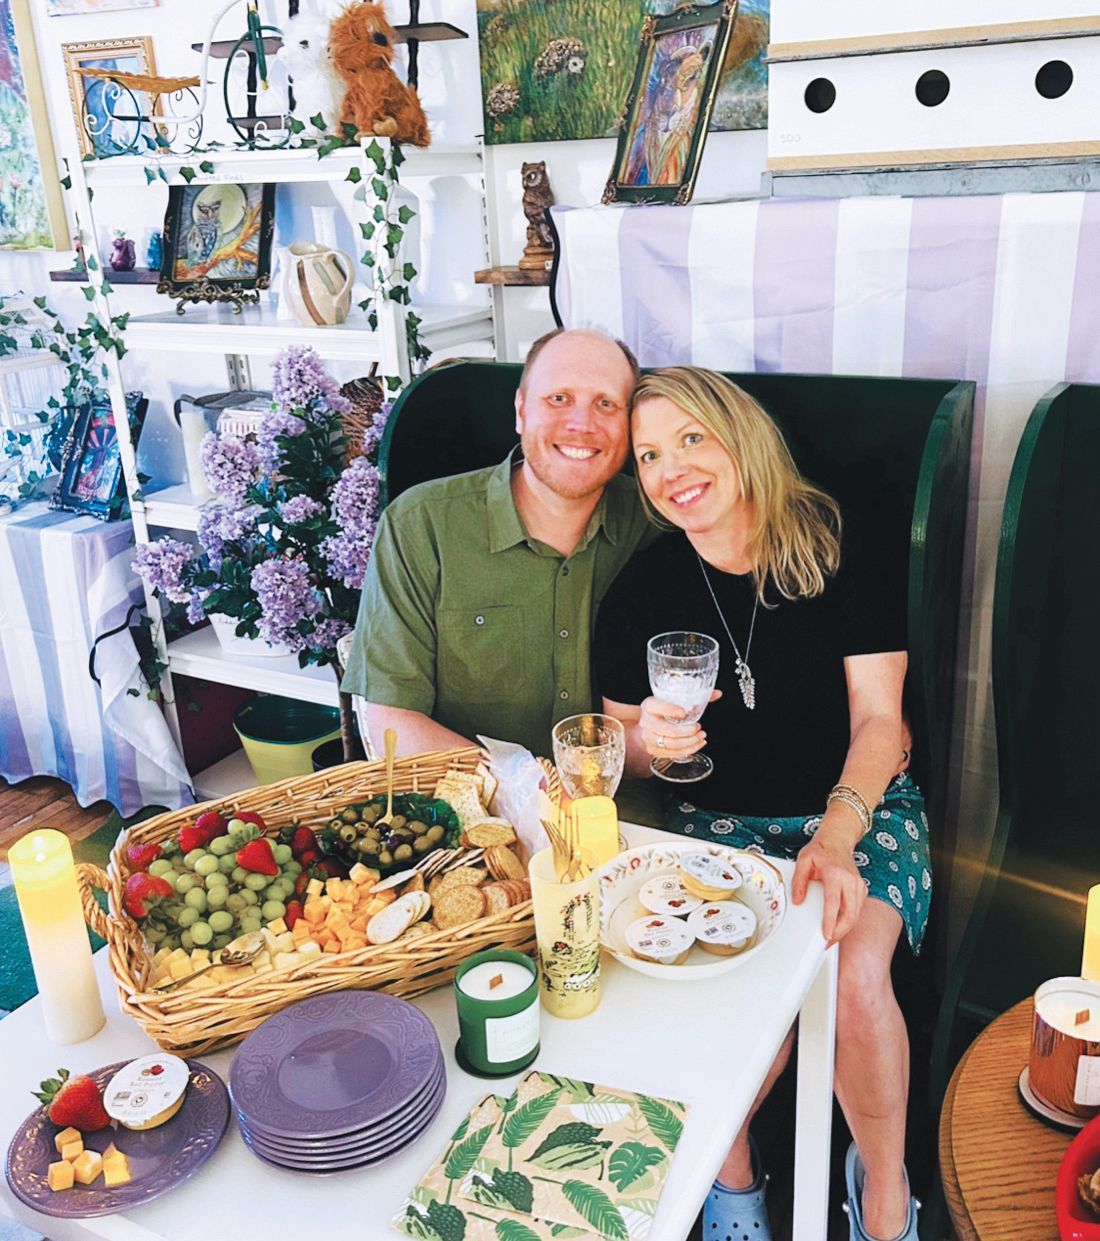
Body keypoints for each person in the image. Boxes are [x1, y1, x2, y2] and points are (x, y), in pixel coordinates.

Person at [594, 367, 926, 1241]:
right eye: (649, 455)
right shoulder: (642, 588)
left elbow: (882, 721)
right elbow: (621, 739)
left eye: (690, 439)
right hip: (718, 827)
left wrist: (838, 836)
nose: (671, 469)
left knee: (853, 979)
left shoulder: (837, 542)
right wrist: (651, 741)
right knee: (726, 1006)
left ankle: (883, 1191)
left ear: (739, 436)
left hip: (857, 805)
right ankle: (732, 1183)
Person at [341, 328, 651, 758]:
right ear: (521, 411)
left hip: (631, 798)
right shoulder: (422, 525)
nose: (581, 423)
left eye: (606, 404)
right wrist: (525, 786)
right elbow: (394, 723)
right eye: (558, 398)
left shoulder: (659, 522)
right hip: (473, 796)